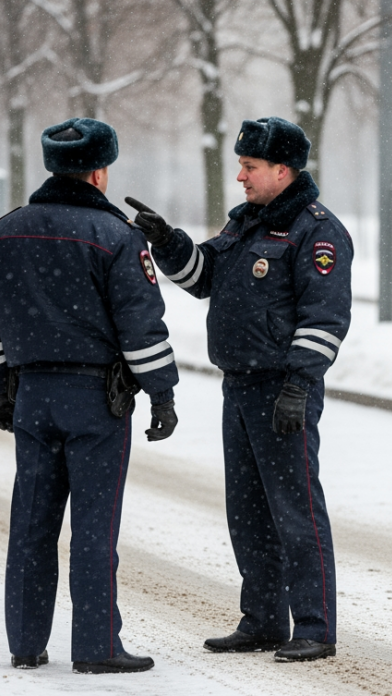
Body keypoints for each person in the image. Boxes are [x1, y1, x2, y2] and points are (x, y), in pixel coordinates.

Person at [132, 116, 352, 662]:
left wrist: (299, 386)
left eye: (250, 167)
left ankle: (315, 627)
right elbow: (204, 275)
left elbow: (325, 319)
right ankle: (263, 620)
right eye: (241, 166)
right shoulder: (247, 225)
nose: (241, 177)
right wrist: (168, 241)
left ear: (283, 169)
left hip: (283, 391)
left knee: (296, 511)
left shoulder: (316, 232)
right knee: (248, 512)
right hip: (240, 387)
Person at [0, 117, 180, 675]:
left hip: (32, 397)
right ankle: (96, 646)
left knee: (32, 522)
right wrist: (162, 394)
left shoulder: (5, 231)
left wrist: (0, 388)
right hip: (97, 401)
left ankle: (26, 643)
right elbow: (141, 327)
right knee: (93, 526)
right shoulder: (117, 237)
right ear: (100, 171)